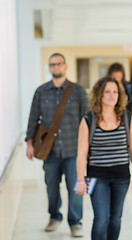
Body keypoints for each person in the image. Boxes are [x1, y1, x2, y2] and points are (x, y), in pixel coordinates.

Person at [25, 53, 88, 237]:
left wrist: (89, 147)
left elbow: (87, 120)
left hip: (73, 151)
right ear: (49, 67)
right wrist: (29, 142)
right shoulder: (41, 91)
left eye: (59, 64)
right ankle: (54, 217)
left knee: (75, 188)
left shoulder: (77, 91)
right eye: (52, 65)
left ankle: (76, 223)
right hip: (49, 151)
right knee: (51, 188)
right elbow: (33, 118)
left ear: (65, 66)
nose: (56, 67)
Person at [75, 76, 132, 240]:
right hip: (98, 177)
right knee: (101, 219)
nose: (112, 95)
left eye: (115, 92)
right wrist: (80, 179)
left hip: (121, 177)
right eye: (107, 92)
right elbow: (82, 153)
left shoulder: (127, 118)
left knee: (115, 219)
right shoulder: (88, 120)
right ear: (99, 94)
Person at [107, 62, 132, 131]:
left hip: (127, 119)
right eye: (115, 77)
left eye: (119, 77)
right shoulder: (107, 88)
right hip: (113, 120)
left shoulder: (128, 86)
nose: (117, 80)